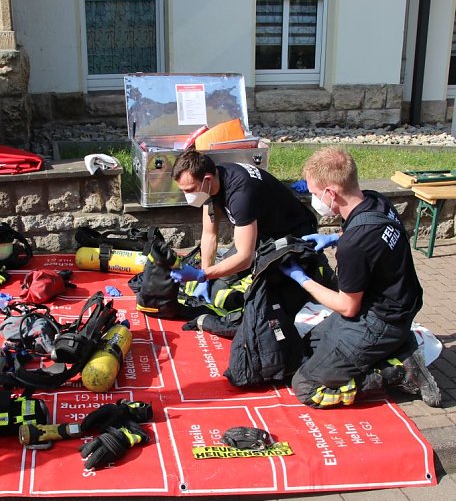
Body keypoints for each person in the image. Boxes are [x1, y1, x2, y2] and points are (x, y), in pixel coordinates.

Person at [278, 147, 441, 408]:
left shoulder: (356, 244)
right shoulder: (377, 202)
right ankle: (399, 348)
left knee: (306, 386)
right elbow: (366, 239)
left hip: (378, 320)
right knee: (307, 348)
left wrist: (301, 279)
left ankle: (397, 374)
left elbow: (347, 305)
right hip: (392, 306)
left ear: (331, 193)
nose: (314, 198)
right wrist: (333, 238)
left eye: (315, 193)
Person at [169, 149, 318, 300]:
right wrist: (205, 275)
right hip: (261, 231)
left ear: (207, 179)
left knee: (223, 288)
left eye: (189, 190)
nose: (187, 196)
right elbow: (209, 234)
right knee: (217, 280)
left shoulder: (240, 195)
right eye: (183, 191)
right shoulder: (212, 180)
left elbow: (244, 258)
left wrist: (202, 275)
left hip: (292, 234)